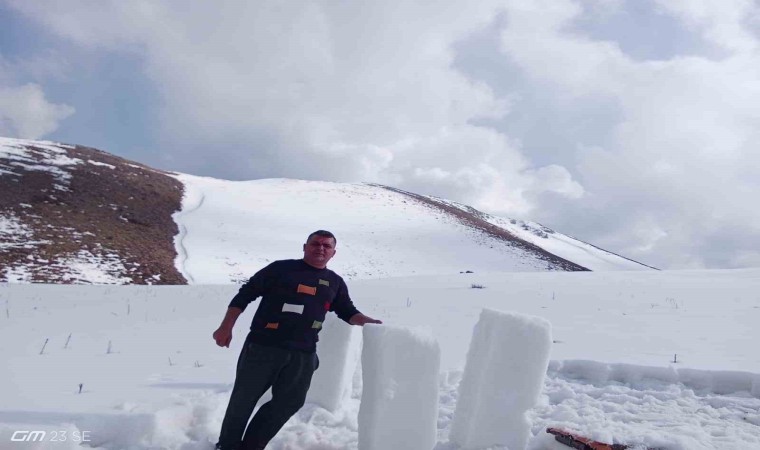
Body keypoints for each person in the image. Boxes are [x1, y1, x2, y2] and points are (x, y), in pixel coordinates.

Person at [213, 230, 382, 450]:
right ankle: (227, 446)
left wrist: (371, 323)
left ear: (333, 253)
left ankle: (251, 446)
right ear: (305, 247)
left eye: (326, 246)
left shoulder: (334, 282)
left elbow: (348, 311)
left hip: (303, 353)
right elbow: (245, 294)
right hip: (263, 347)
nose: (320, 248)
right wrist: (226, 326)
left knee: (290, 402)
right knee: (243, 400)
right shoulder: (280, 269)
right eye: (315, 244)